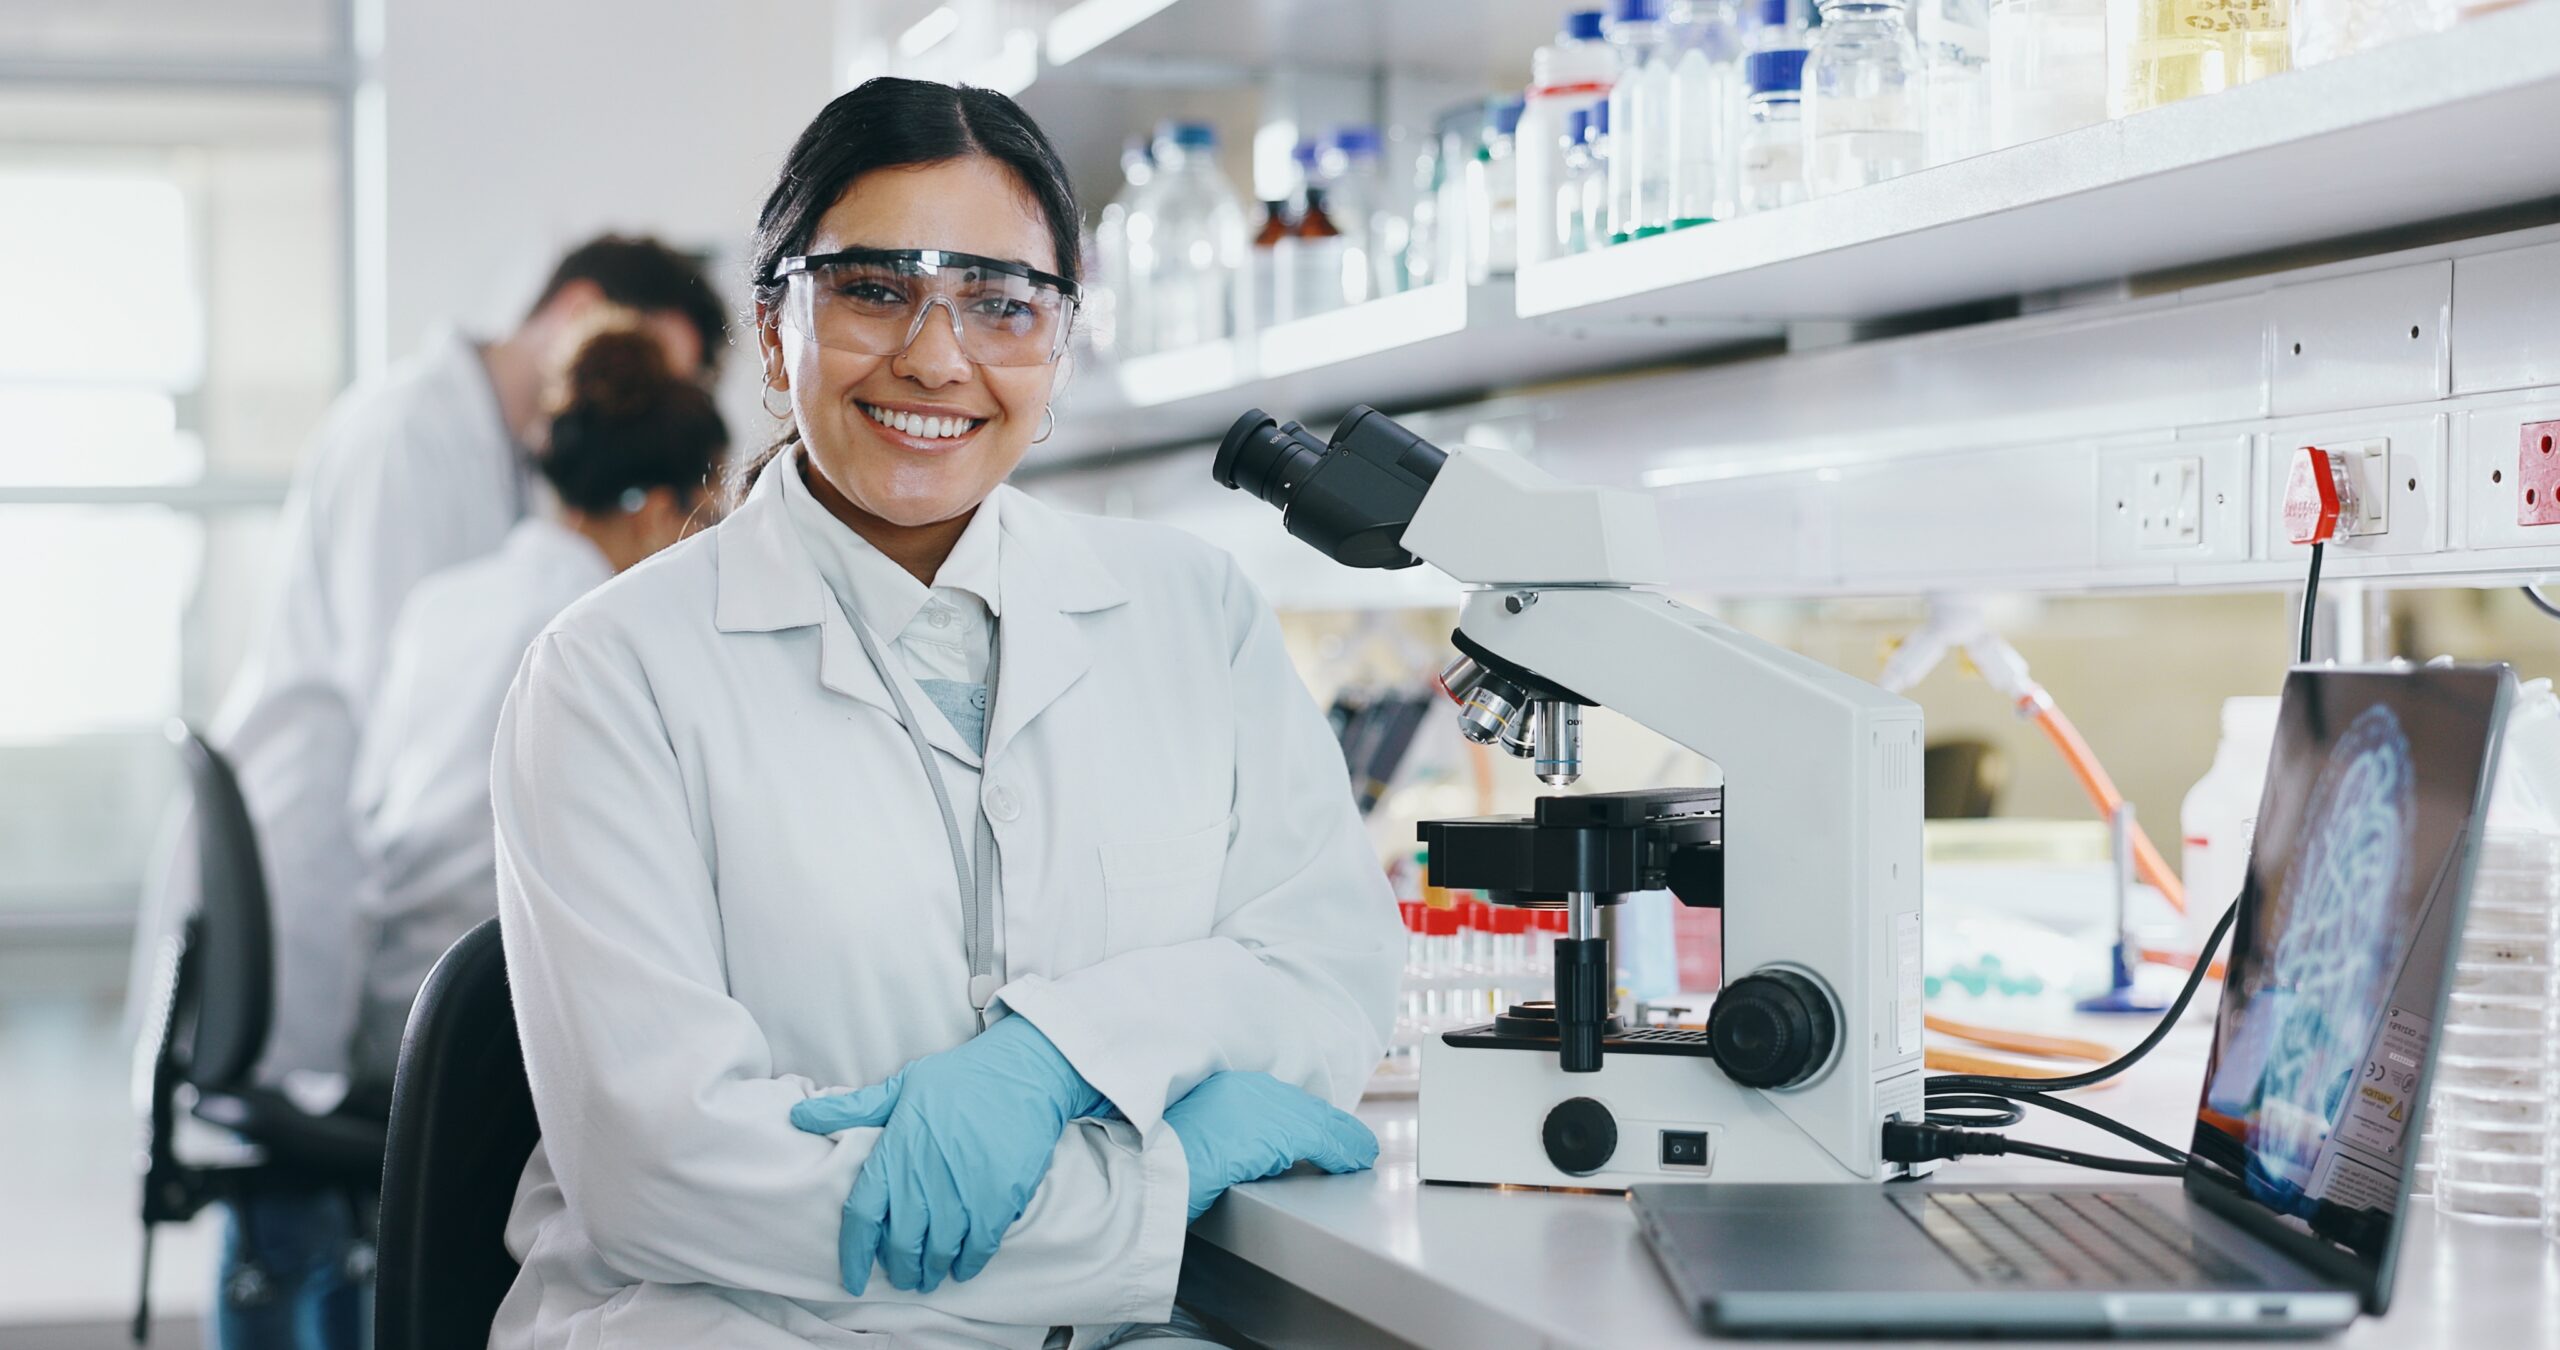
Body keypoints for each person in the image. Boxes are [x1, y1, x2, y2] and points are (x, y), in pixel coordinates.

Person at [488, 79, 1402, 1350]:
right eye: (872, 290)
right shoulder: (610, 672)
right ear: (771, 329)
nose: (934, 355)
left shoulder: (1192, 611)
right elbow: (668, 1179)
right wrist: (1153, 1192)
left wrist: (1059, 1057)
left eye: (1000, 303)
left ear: (1062, 342)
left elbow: (1324, 981)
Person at [172, 235, 724, 1349]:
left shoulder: (466, 596)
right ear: (665, 505)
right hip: (412, 981)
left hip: (380, 954)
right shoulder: (585, 619)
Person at [344, 325, 729, 1102]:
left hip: (396, 1006)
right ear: (660, 514)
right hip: (487, 1032)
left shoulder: (444, 601)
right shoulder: (603, 635)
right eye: (710, 516)